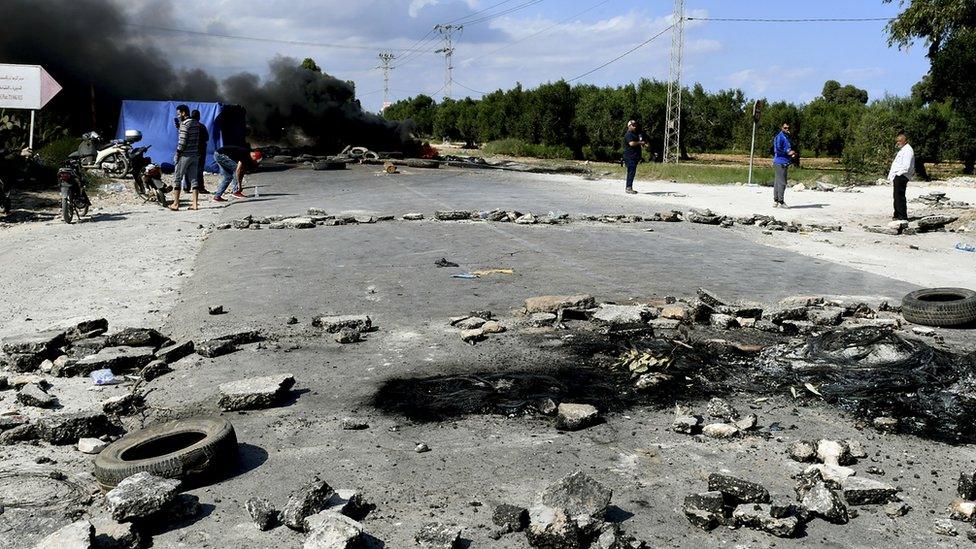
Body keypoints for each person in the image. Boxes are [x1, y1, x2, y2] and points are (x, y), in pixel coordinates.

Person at [170, 104, 202, 211]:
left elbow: (182, 141)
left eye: (179, 113)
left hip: (185, 155)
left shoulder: (184, 124)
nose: (178, 116)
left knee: (177, 178)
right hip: (195, 154)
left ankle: (175, 204)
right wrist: (180, 127)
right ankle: (195, 204)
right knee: (194, 179)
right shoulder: (196, 123)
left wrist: (178, 153)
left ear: (184, 113)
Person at [888, 132, 915, 221]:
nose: (898, 143)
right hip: (899, 176)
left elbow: (906, 166)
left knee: (900, 196)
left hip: (902, 176)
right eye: (897, 141)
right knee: (896, 196)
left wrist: (898, 174)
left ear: (905, 141)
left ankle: (902, 216)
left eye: (900, 141)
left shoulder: (908, 150)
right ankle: (897, 214)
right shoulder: (903, 150)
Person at [772, 122, 796, 208]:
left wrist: (790, 153)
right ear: (781, 128)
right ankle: (781, 202)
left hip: (784, 161)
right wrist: (788, 152)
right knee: (782, 182)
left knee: (777, 181)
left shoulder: (786, 137)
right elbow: (777, 150)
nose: (787, 129)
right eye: (785, 128)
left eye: (788, 128)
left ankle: (776, 200)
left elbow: (786, 148)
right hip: (780, 162)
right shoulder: (780, 137)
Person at [623, 120, 648, 194]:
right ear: (629, 126)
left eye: (635, 125)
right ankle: (628, 187)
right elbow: (631, 143)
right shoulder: (628, 134)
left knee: (632, 172)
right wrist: (640, 142)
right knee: (631, 172)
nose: (635, 126)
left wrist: (644, 144)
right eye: (633, 125)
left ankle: (629, 186)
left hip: (635, 156)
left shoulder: (636, 134)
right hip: (629, 156)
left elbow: (640, 143)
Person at [190, 109, 210, 194]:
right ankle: (200, 188)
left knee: (189, 167)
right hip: (200, 150)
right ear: (198, 116)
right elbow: (207, 138)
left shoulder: (189, 126)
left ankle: (187, 187)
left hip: (190, 149)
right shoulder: (201, 126)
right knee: (199, 169)